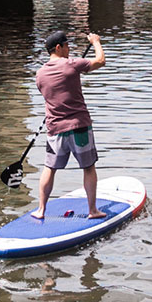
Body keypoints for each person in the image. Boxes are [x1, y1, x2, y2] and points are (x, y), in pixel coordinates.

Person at [34, 29, 107, 221]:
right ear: (58, 47)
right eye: (67, 46)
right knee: (89, 167)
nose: (69, 49)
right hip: (79, 126)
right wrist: (95, 42)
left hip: (55, 129)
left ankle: (41, 210)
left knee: (49, 169)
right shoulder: (72, 64)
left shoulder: (40, 74)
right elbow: (100, 61)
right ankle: (93, 210)